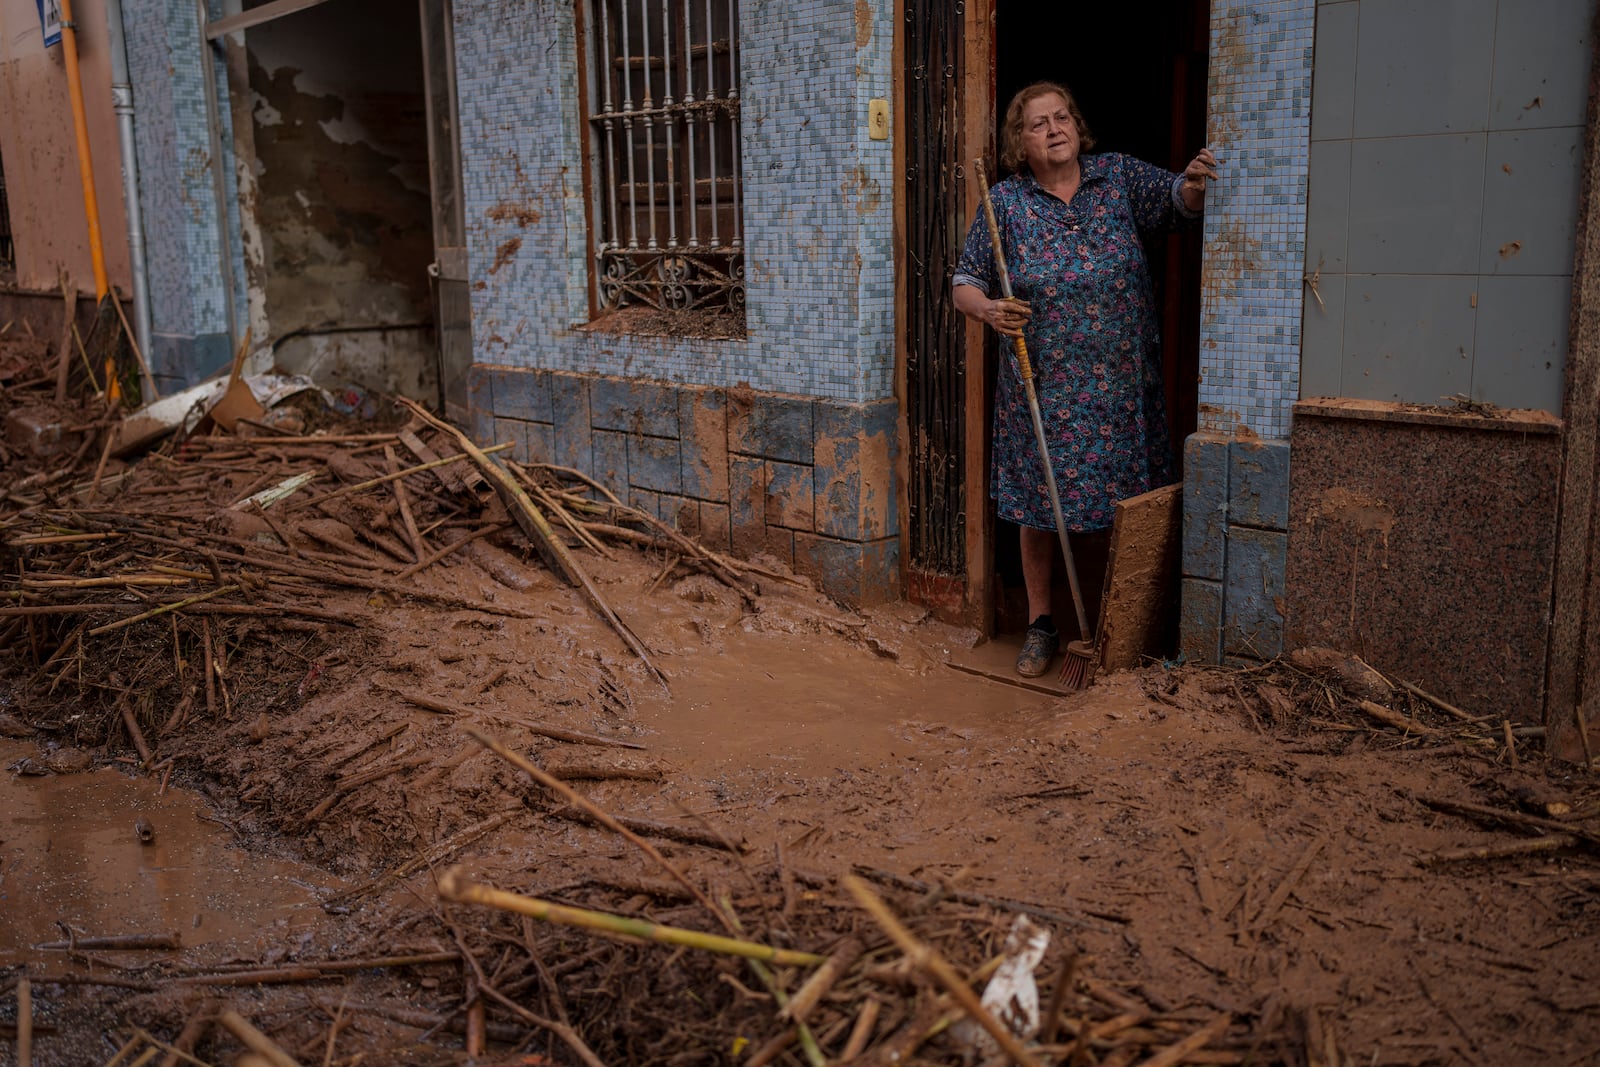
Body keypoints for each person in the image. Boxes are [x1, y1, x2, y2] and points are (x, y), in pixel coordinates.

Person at [953, 81, 1217, 677]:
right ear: (1019, 143)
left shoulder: (1117, 178)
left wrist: (1196, 184)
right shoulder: (1006, 205)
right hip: (1043, 389)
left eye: (1062, 116)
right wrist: (991, 311)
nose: (1055, 128)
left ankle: (1123, 628)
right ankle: (1043, 625)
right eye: (1038, 122)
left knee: (1126, 501)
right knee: (1040, 507)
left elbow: (1179, 201)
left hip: (1123, 389)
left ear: (1078, 126)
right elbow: (963, 282)